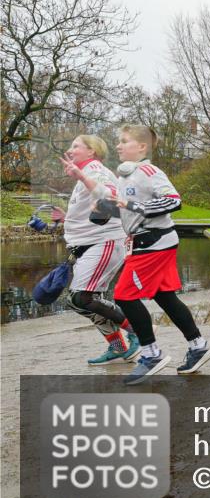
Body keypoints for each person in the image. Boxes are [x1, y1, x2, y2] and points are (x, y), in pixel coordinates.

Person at [89, 125, 210, 384]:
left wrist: (133, 205)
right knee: (165, 297)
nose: (118, 146)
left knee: (124, 295)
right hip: (145, 243)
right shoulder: (125, 177)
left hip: (154, 244)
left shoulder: (149, 171)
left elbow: (173, 200)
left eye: (124, 141)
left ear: (142, 147)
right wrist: (104, 209)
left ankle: (151, 354)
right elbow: (129, 213)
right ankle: (198, 345)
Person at [58, 135, 139, 365]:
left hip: (104, 242)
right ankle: (118, 347)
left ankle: (139, 331)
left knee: (82, 297)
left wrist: (81, 176)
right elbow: (95, 207)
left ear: (91, 151)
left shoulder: (95, 171)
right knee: (78, 300)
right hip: (89, 244)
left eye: (76, 146)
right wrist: (67, 218)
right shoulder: (88, 173)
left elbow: (111, 197)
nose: (70, 149)